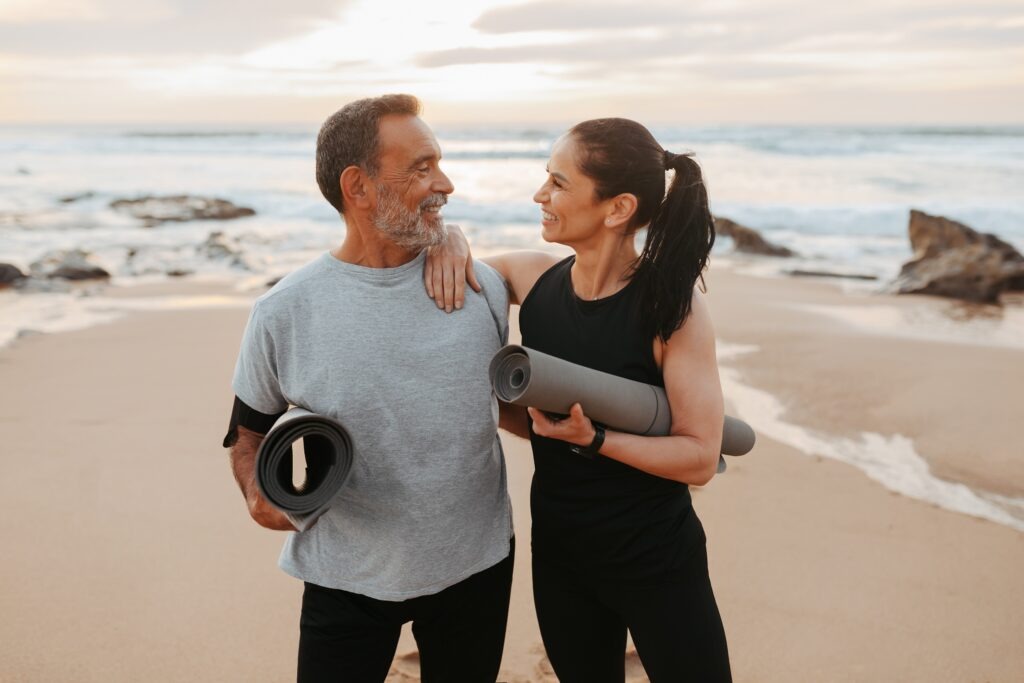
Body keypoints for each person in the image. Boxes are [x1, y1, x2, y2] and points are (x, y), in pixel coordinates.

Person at [223, 94, 515, 683]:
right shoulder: (284, 310)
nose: (446, 183)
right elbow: (245, 433)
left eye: (441, 163)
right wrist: (259, 497)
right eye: (422, 167)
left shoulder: (482, 286)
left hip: (477, 565)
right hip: (345, 574)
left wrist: (452, 238)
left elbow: (579, 280)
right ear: (357, 186)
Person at [427, 118, 732, 682]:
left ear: (616, 208)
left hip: (657, 560)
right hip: (563, 557)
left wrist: (595, 439)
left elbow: (698, 457)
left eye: (559, 183)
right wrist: (450, 238)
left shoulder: (671, 307)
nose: (540, 195)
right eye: (546, 178)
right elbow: (449, 276)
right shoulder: (531, 279)